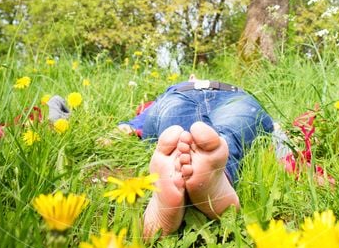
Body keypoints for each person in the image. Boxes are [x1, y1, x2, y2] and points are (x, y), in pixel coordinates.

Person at [118, 77, 275, 238]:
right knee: (176, 117)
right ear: (190, 78)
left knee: (235, 122)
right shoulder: (173, 89)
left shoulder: (234, 91)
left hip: (233, 96)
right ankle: (199, 167)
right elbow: (141, 118)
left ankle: (192, 169)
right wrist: (127, 126)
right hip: (180, 94)